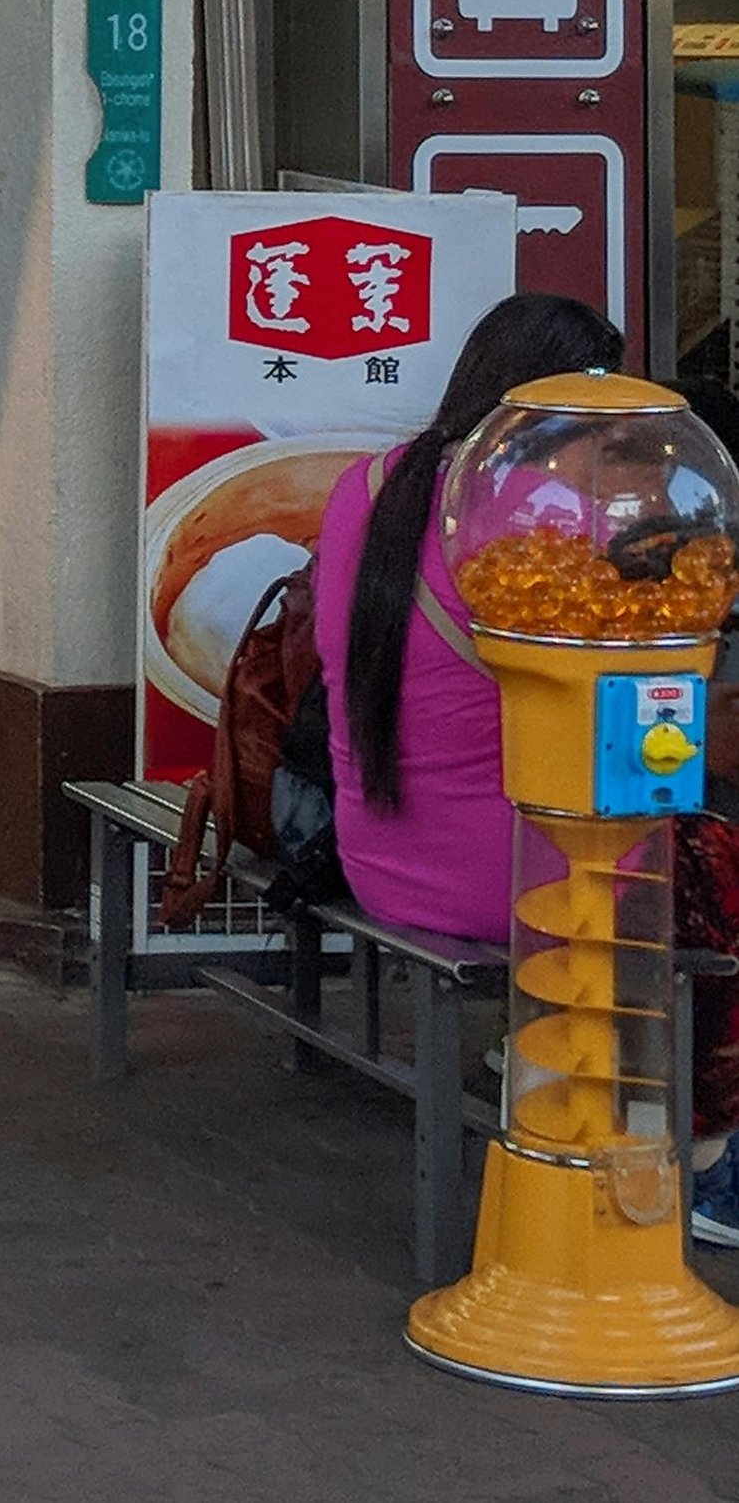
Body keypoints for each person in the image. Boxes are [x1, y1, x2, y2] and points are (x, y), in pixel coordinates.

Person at [314, 287, 739, 1248]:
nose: (609, 452)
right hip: (513, 874)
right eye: (598, 428)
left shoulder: (369, 485)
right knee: (709, 861)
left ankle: (543, 1054)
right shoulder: (537, 525)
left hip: (378, 845)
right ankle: (701, 1150)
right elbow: (628, 716)